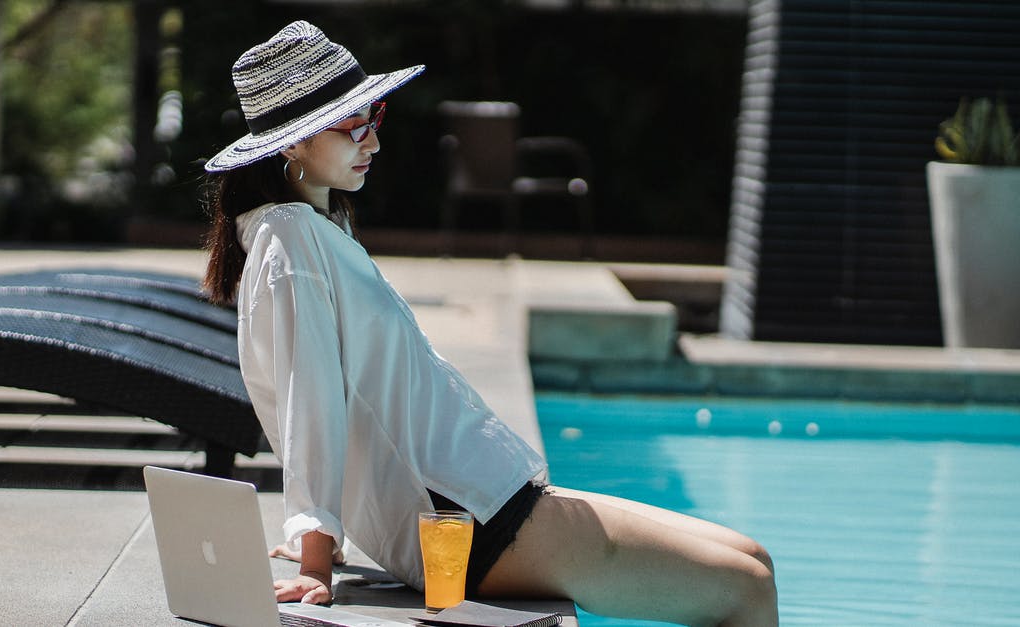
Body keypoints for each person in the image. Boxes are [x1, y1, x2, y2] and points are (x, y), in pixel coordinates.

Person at [201, 20, 778, 627]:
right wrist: (316, 554)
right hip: (461, 519)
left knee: (754, 559)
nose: (372, 139)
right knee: (746, 591)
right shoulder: (290, 240)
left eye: (376, 116)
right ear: (292, 143)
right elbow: (308, 398)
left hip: (484, 495)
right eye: (353, 124)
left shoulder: (314, 230)